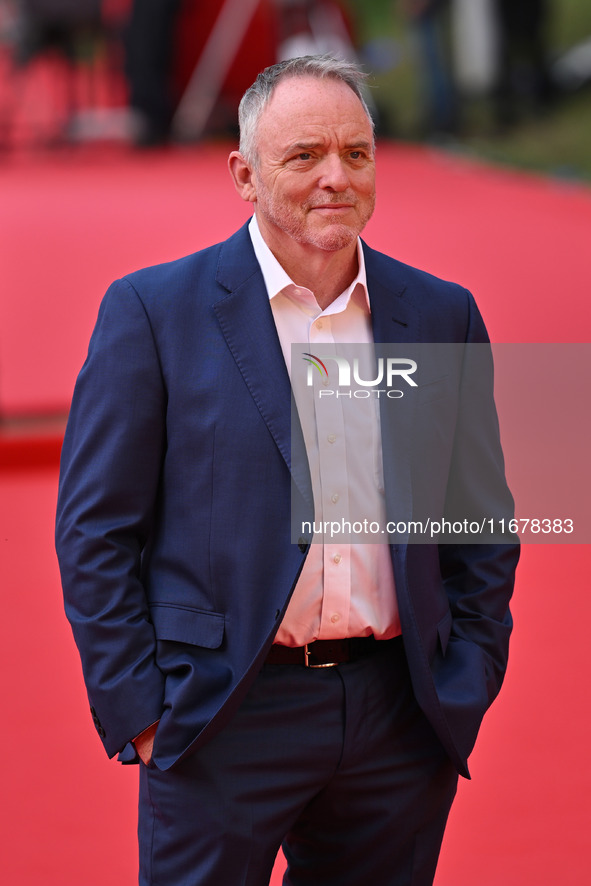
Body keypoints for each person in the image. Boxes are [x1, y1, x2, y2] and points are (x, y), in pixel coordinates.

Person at [55, 55, 519, 886]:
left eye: (355, 153)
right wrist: (143, 713)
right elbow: (95, 529)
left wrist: (465, 679)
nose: (334, 177)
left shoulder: (441, 314)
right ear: (244, 173)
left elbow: (479, 520)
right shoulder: (153, 312)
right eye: (303, 155)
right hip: (220, 714)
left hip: (396, 717)